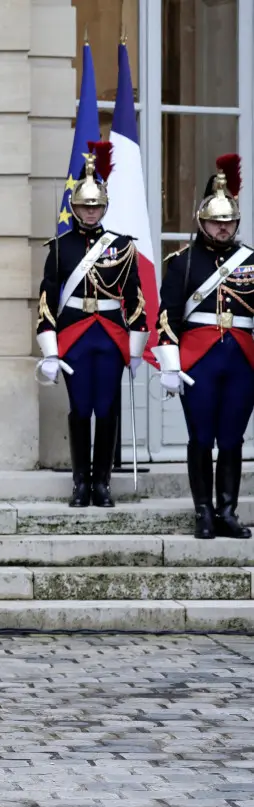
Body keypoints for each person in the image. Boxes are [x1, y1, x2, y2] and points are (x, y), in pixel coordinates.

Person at [34, 141, 149, 508]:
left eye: (96, 205)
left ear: (105, 207)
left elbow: (135, 301)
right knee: (81, 409)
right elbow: (47, 305)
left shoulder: (122, 247)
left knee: (107, 408)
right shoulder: (60, 248)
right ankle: (80, 483)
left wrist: (135, 350)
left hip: (111, 336)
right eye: (84, 205)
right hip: (74, 338)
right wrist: (50, 353)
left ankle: (103, 483)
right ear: (74, 207)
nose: (90, 211)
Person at [153, 153, 253, 541]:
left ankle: (227, 511)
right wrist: (170, 366)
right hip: (198, 362)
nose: (222, 228)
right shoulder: (182, 263)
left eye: (228, 222)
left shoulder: (251, 262)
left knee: (232, 438)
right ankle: (203, 512)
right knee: (201, 438)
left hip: (242, 360)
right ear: (202, 221)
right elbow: (167, 318)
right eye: (216, 221)